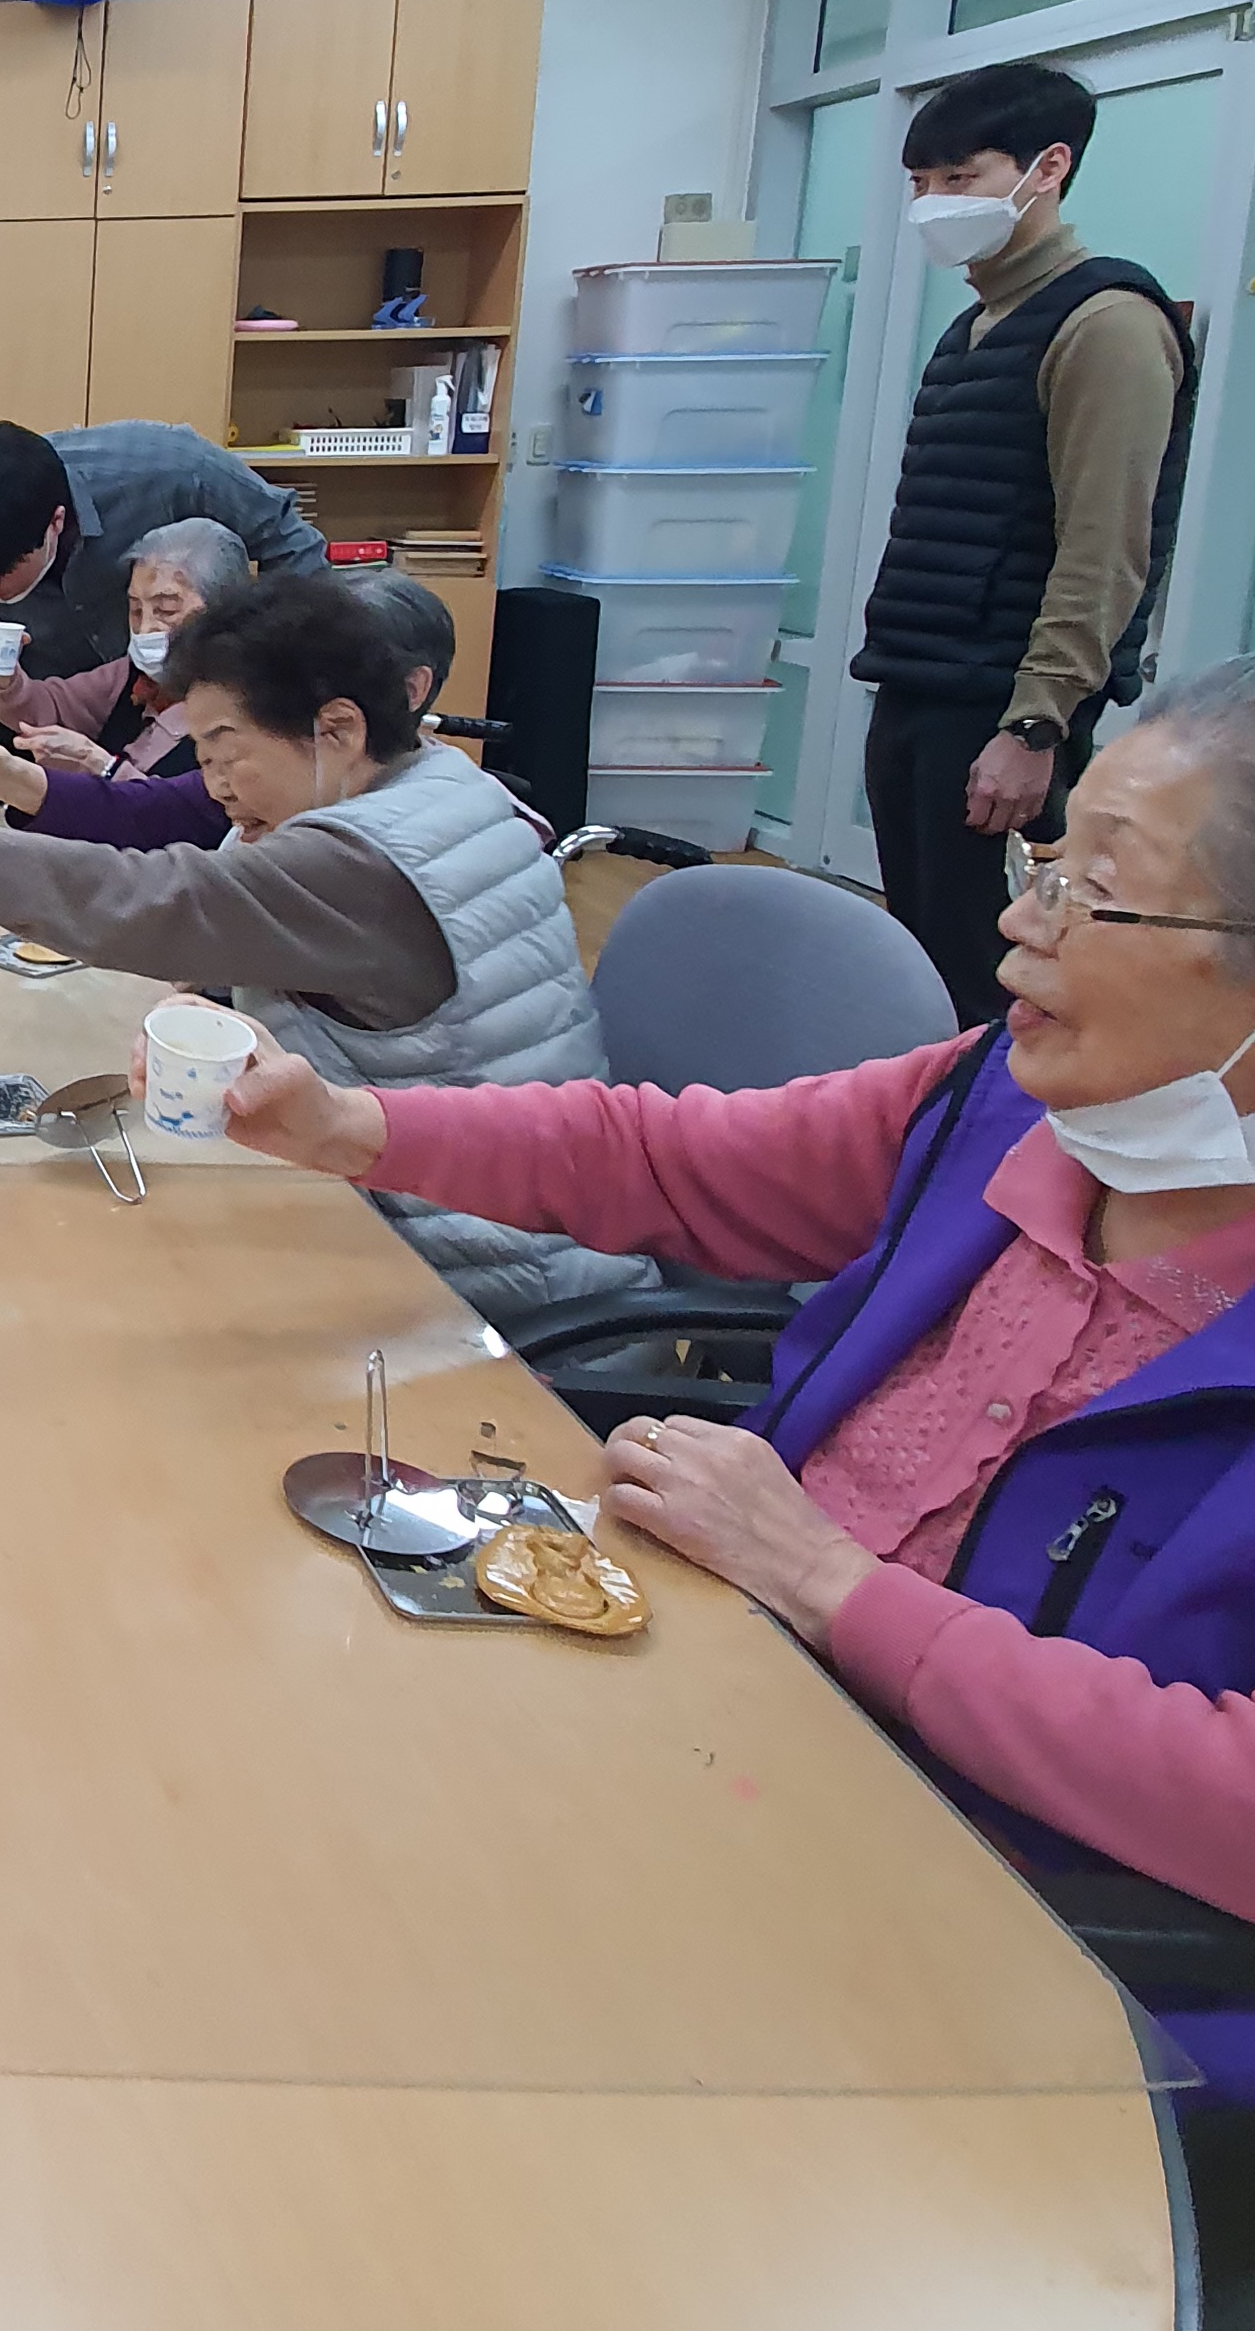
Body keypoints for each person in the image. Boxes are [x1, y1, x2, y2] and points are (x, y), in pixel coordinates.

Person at [210, 664, 1255, 2098]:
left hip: (1014, 1955)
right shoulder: (1007, 1102)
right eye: (1045, 867)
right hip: (738, 1728)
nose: (1022, 922)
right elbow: (675, 1160)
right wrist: (353, 1125)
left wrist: (833, 1584)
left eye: (1096, 894)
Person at [0, 573, 648, 1321]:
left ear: (338, 728)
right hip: (467, 1220)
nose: (215, 785)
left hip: (484, 1282)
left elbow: (147, 901)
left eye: (226, 754)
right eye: (201, 757)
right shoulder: (434, 783)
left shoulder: (364, 864)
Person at [855, 58, 1194, 1024]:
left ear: (1048, 168)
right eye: (921, 183)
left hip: (999, 705)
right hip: (921, 677)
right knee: (922, 956)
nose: (933, 203)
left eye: (960, 178)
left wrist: (1036, 723)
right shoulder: (974, 328)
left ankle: (1003, 1119)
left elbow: (1106, 548)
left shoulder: (1107, 325)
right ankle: (935, 1107)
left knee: (991, 970)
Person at [0, 557, 465, 833]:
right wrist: (9, 777)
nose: (221, 787)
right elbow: (157, 810)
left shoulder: (378, 843)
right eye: (210, 760)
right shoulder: (301, 789)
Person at [0, 420, 324, 716]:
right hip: (50, 710)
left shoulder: (172, 470)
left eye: (1, 575)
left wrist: (269, 674)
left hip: (188, 710)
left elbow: (290, 543)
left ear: (55, 523)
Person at [0, 516, 243, 791]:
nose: (145, 628)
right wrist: (3, 666)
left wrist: (100, 764)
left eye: (166, 610)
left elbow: (191, 810)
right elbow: (44, 708)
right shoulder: (130, 676)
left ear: (223, 609)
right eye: (136, 610)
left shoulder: (244, 704)